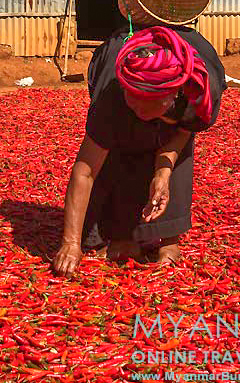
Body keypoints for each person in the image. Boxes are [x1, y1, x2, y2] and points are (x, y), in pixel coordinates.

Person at [53, 23, 227, 276]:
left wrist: (162, 172)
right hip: (116, 90)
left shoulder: (199, 92)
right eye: (133, 103)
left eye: (149, 106)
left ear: (174, 95)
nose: (140, 113)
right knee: (119, 147)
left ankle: (168, 238)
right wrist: (70, 243)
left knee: (173, 160)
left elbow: (183, 130)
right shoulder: (112, 94)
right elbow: (85, 171)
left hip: (181, 92)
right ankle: (121, 233)